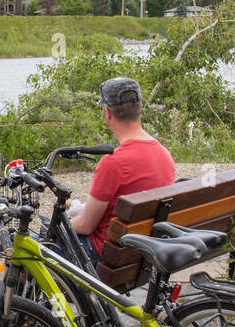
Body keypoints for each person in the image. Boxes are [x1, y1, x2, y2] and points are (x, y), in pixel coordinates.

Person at [68, 77, 175, 266]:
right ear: (140, 107)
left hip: (105, 256)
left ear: (107, 113)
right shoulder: (164, 155)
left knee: (35, 242)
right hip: (141, 255)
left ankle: (21, 296)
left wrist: (61, 224)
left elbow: (85, 226)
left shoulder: (113, 163)